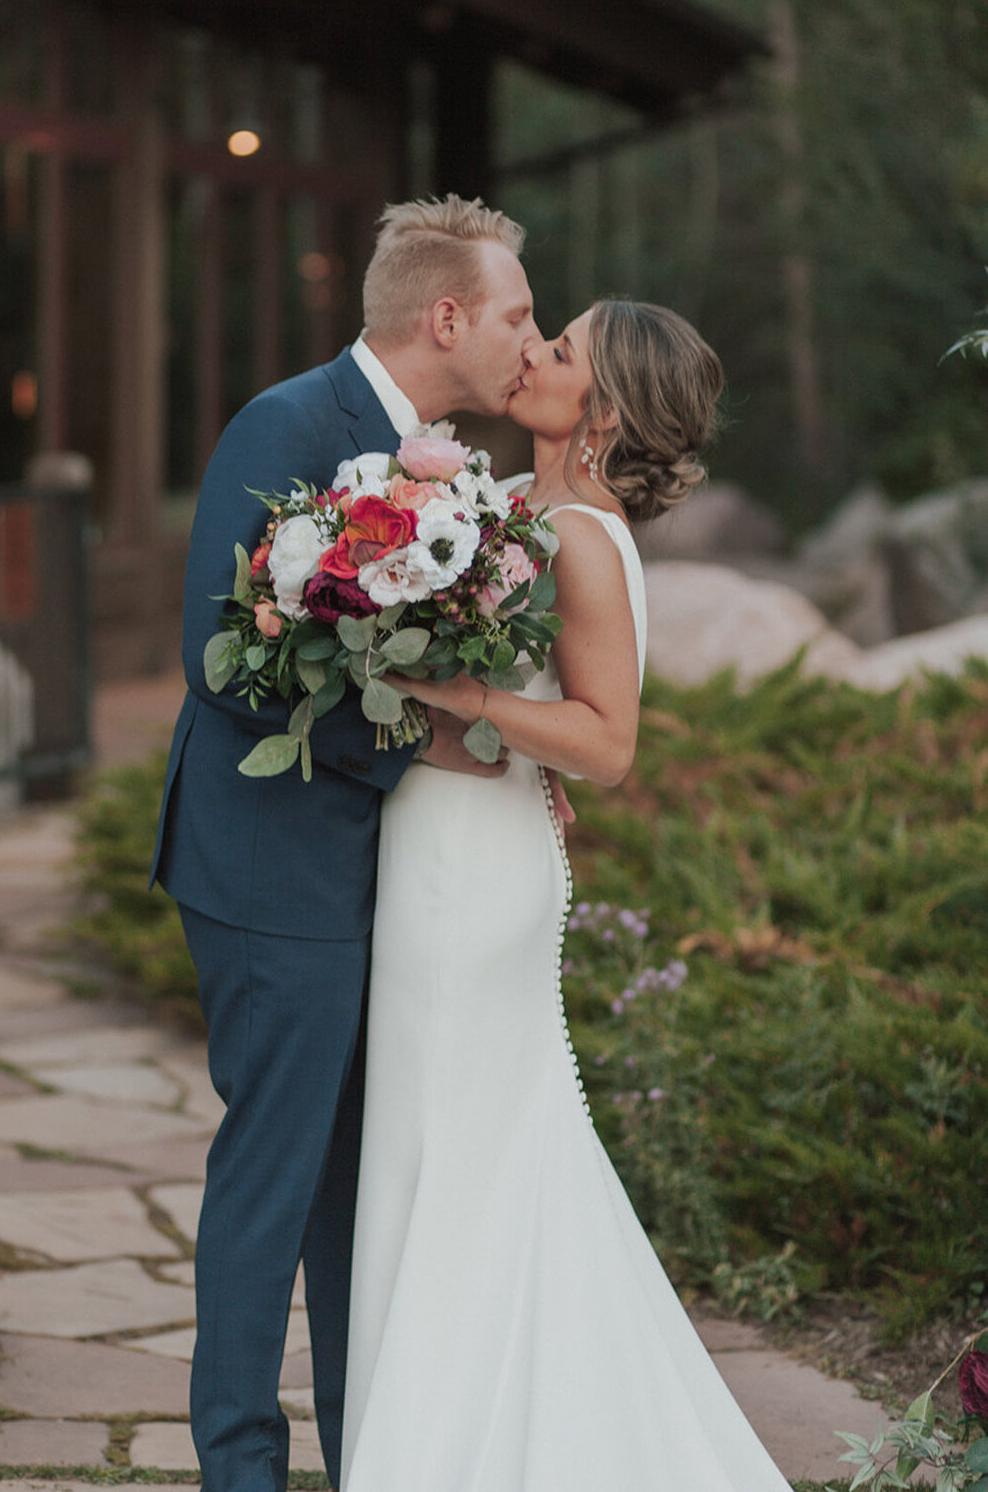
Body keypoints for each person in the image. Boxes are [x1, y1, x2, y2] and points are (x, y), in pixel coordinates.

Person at [341, 299, 794, 1492]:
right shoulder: (517, 510)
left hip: (473, 883)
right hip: (446, 843)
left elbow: (609, 739)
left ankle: (438, 1454)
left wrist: (472, 702)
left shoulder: (583, 537)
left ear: (598, 409)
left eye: (561, 349)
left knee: (459, 1152)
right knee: (449, 1152)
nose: (533, 352)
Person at [150, 194, 542, 1492]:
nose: (526, 341)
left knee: (352, 1185)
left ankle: (366, 1441)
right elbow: (225, 666)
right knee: (276, 1171)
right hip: (271, 871)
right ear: (446, 315)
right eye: (515, 314)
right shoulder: (289, 424)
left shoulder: (433, 458)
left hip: (377, 876)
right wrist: (431, 746)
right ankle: (240, 1466)